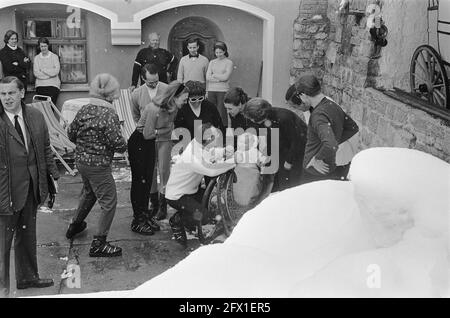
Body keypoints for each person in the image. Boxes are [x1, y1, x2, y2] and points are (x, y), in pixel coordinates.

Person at [0, 76, 59, 297]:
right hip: (5, 191)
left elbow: (45, 148)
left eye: (11, 93)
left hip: (30, 188)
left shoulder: (35, 116)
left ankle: (27, 278)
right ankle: (2, 290)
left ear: (21, 93)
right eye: (3, 94)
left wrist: (53, 175)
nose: (6, 98)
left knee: (27, 236)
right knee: (2, 245)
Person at [66, 73, 127, 257]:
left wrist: (86, 143)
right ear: (111, 94)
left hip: (82, 162)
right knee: (109, 202)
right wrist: (123, 142)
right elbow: (118, 143)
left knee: (89, 193)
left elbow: (71, 133)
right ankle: (99, 243)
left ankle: (75, 226)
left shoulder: (85, 109)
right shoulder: (109, 114)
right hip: (99, 165)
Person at [165, 123, 236, 247]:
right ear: (207, 139)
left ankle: (189, 218)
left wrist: (223, 152)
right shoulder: (191, 155)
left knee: (213, 205)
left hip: (191, 191)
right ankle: (178, 220)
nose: (218, 138)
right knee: (204, 217)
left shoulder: (198, 144)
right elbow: (211, 170)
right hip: (177, 196)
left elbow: (211, 153)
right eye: (215, 137)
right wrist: (233, 162)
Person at [292, 75, 359, 183]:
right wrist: (335, 138)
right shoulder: (332, 105)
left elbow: (331, 144)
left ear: (303, 95)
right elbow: (353, 128)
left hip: (315, 174)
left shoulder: (318, 115)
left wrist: (317, 158)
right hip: (331, 168)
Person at [128, 64, 168, 235]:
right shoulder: (136, 94)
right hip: (146, 138)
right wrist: (147, 130)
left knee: (165, 169)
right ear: (143, 79)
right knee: (147, 174)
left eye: (156, 81)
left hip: (163, 137)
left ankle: (163, 203)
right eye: (150, 83)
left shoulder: (166, 89)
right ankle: (151, 205)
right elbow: (137, 116)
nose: (154, 85)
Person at [143, 81, 189, 221]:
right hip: (150, 141)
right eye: (184, 99)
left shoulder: (174, 108)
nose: (186, 102)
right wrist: (161, 131)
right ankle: (154, 204)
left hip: (164, 141)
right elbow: (147, 132)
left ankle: (162, 206)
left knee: (164, 172)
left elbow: (170, 127)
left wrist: (163, 131)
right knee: (150, 173)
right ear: (174, 97)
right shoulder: (155, 108)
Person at [242, 98, 307, 192]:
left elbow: (297, 141)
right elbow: (270, 139)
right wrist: (265, 156)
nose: (252, 120)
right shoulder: (266, 120)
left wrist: (289, 161)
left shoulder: (284, 118)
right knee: (276, 177)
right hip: (284, 146)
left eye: (252, 118)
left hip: (299, 148)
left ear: (260, 115)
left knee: (290, 182)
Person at [206, 41, 233, 126]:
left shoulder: (229, 62)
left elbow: (226, 77)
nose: (218, 54)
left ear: (225, 51)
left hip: (223, 90)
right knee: (210, 111)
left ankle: (223, 130)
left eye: (220, 52)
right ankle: (211, 130)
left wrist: (214, 75)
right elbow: (208, 77)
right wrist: (220, 78)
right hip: (211, 90)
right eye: (216, 52)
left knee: (222, 112)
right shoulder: (212, 62)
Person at [0, 30, 31, 95]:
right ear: (7, 40)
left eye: (15, 39)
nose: (14, 41)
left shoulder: (20, 50)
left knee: (22, 102)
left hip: (22, 82)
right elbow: (10, 68)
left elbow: (28, 65)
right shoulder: (3, 52)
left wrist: (18, 64)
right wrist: (22, 63)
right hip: (10, 83)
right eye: (12, 39)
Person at [33, 37, 61, 106]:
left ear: (48, 46)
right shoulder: (37, 58)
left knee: (51, 107)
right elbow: (36, 73)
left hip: (53, 85)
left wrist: (43, 70)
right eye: (41, 46)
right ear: (39, 47)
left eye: (45, 46)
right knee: (42, 107)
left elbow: (56, 71)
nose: (43, 48)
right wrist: (50, 75)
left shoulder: (54, 57)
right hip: (40, 85)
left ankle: (49, 116)